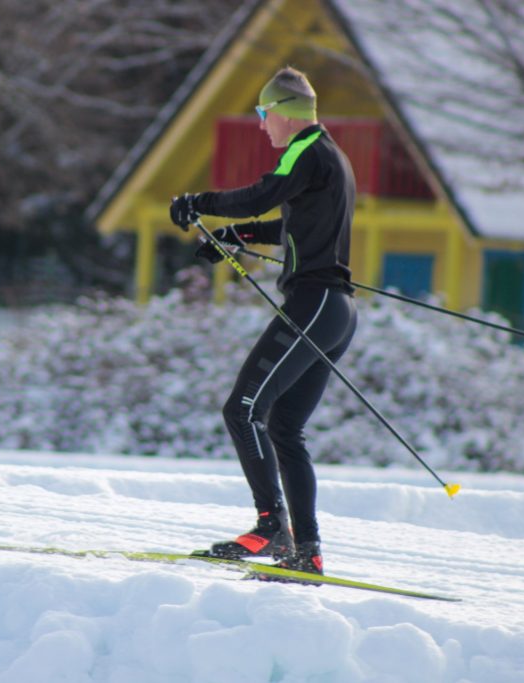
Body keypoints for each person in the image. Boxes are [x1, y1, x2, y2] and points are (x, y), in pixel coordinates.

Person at [168, 67, 357, 576]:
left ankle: (272, 527)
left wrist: (198, 203)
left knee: (242, 408)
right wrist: (238, 236)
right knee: (284, 427)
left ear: (285, 112)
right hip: (335, 311)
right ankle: (307, 551)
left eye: (262, 113)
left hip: (315, 302)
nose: (260, 125)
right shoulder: (330, 156)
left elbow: (260, 195)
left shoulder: (305, 149)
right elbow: (290, 223)